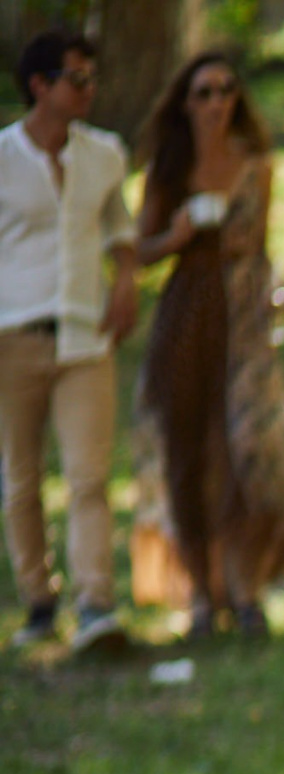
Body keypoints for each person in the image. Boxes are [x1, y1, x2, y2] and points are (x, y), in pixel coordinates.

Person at [129, 48, 284, 642]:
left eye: (226, 89)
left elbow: (259, 244)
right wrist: (177, 236)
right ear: (186, 101)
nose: (216, 102)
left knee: (244, 454)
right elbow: (138, 249)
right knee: (188, 453)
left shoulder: (256, 164)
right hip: (186, 317)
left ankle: (244, 590)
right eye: (203, 92)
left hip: (242, 321)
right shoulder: (170, 165)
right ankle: (201, 597)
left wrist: (271, 294)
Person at [1, 30, 136, 654]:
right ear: (40, 86)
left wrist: (127, 279)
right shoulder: (2, 157)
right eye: (76, 79)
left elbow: (119, 228)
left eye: (91, 79)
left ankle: (95, 604)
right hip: (13, 338)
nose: (88, 90)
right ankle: (37, 599)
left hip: (85, 336)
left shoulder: (106, 154)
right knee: (22, 478)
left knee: (88, 476)